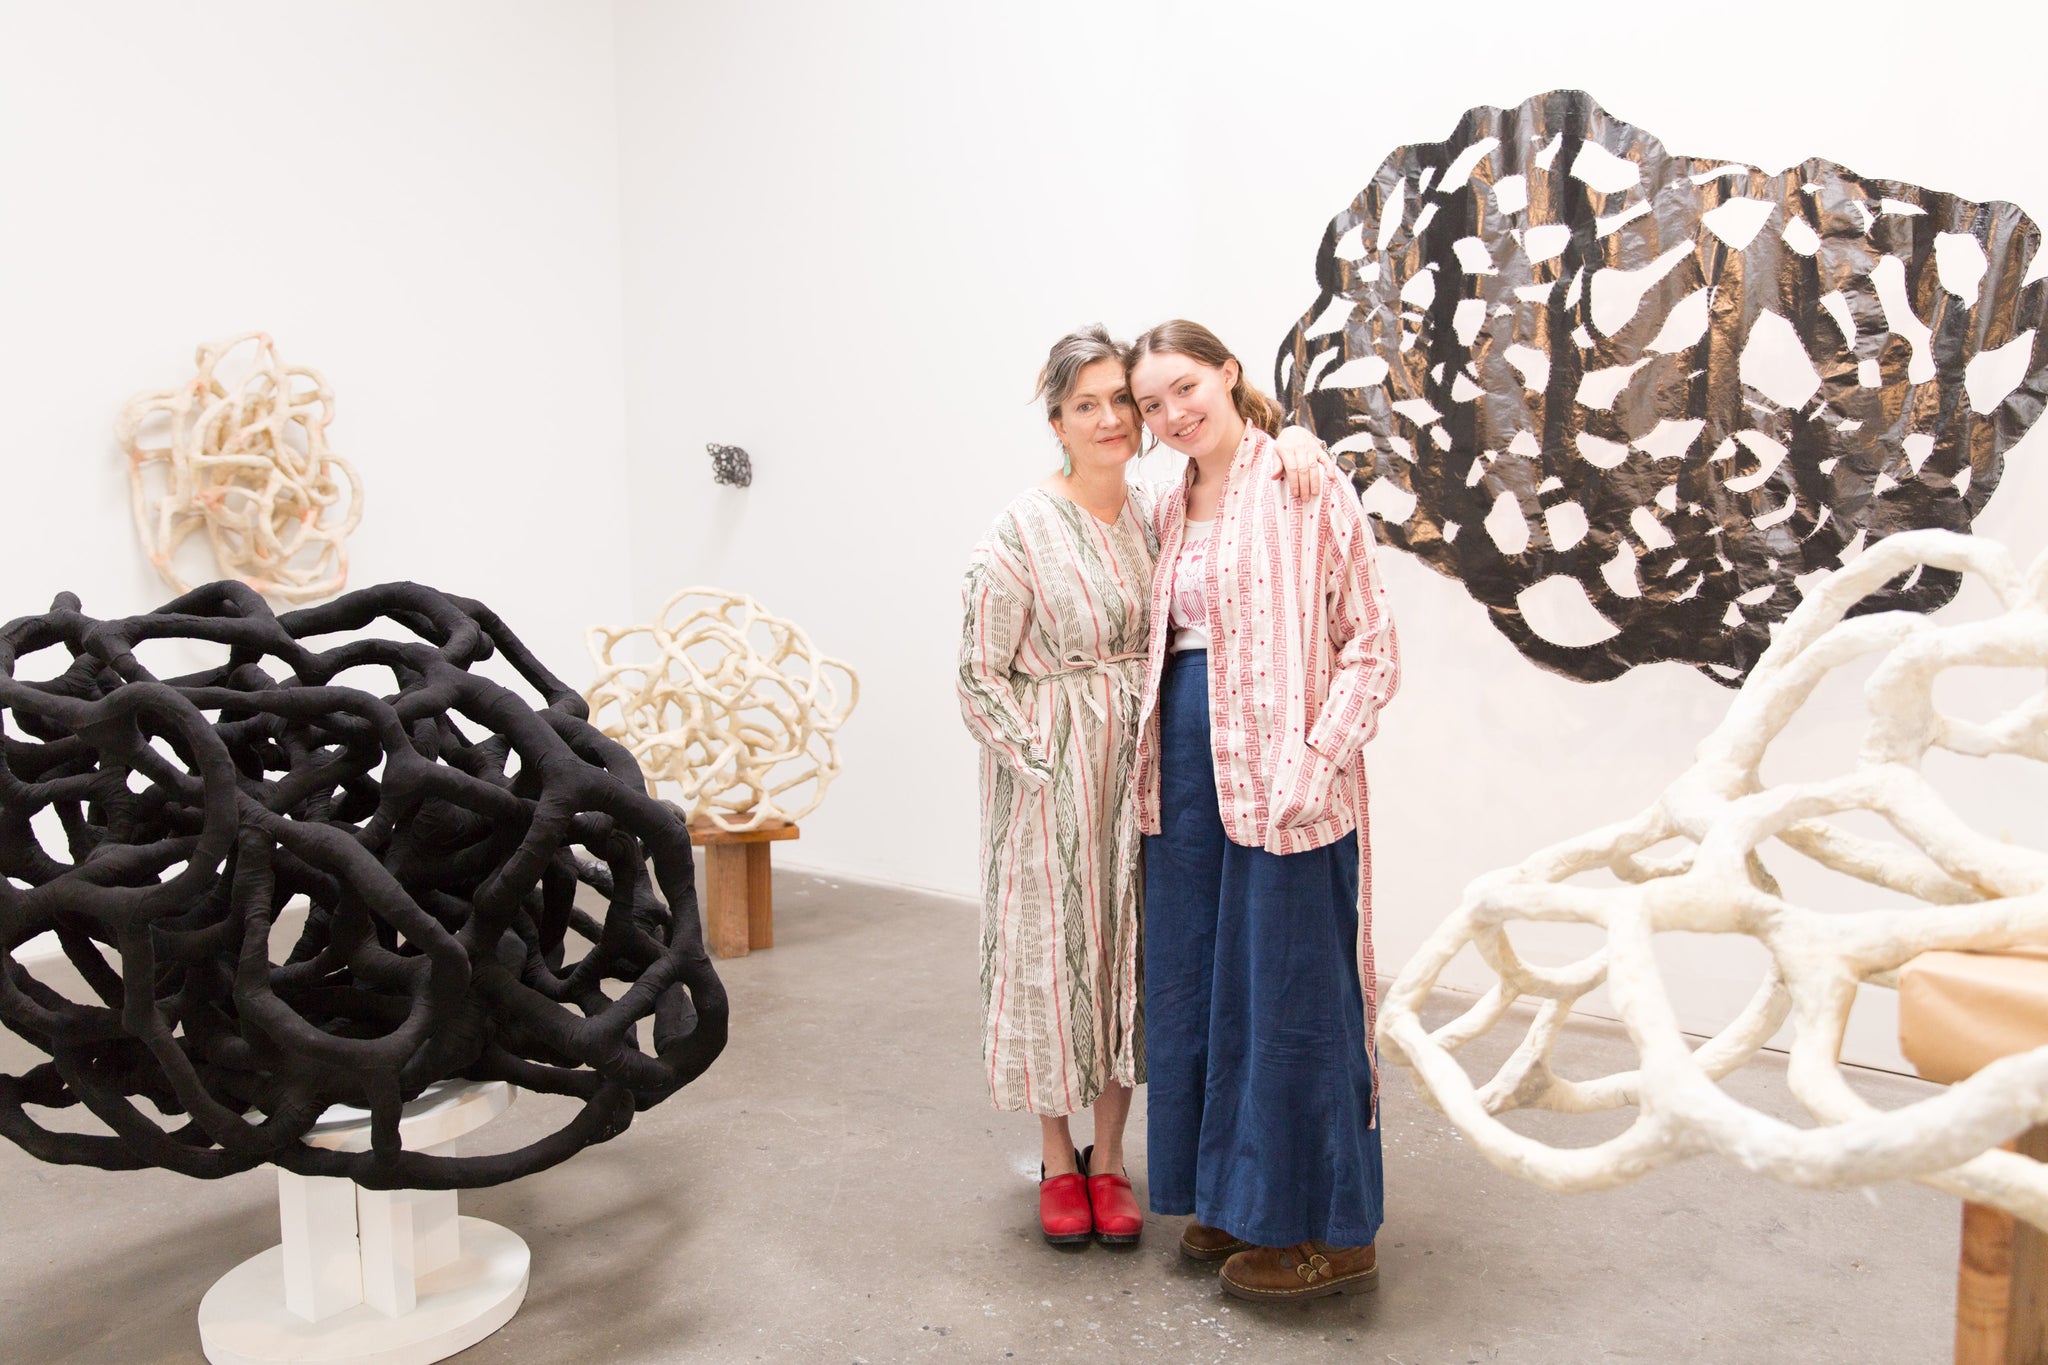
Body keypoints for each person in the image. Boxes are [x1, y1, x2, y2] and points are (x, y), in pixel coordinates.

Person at [956, 325, 1328, 1247]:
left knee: (1129, 955)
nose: (1115, 418)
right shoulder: (1019, 528)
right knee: (1051, 955)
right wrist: (1040, 770)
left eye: (1125, 399)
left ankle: (1112, 1156)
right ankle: (1056, 1154)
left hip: (1148, 772)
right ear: (1057, 421)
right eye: (1089, 404)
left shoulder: (1158, 510)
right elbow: (978, 674)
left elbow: (1235, 483)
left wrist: (1297, 440)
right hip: (1050, 786)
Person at [1126, 319, 1400, 1300]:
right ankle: (1235, 1199)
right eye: (1150, 403)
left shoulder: (1299, 478)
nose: (1171, 414)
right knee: (1202, 988)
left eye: (1186, 387)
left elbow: (1370, 642)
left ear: (1229, 374)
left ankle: (1329, 1227)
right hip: (1186, 774)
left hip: (1283, 772)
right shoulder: (1162, 501)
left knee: (1296, 997)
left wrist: (1316, 761)